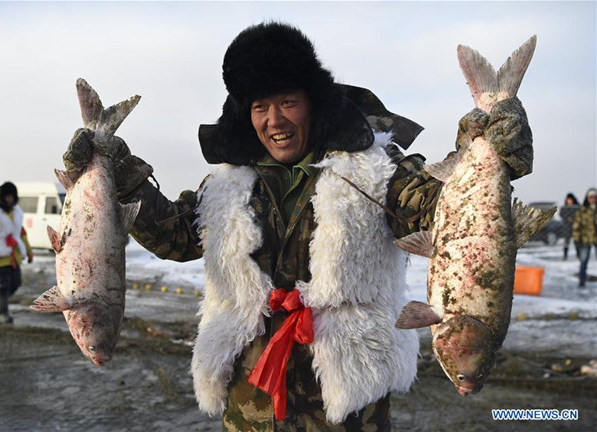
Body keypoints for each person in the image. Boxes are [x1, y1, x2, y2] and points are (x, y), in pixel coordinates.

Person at [63, 22, 533, 431]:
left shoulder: (376, 169)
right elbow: (177, 234)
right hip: (250, 404)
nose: (274, 121)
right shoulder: (226, 184)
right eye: (259, 107)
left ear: (314, 102)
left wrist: (488, 154)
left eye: (287, 102)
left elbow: (445, 211)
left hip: (348, 408)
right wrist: (123, 181)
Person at [0, 181, 33, 324]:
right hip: (0, 257)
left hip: (14, 255)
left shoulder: (17, 212)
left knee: (16, 282)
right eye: (6, 197)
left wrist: (29, 251)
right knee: (3, 287)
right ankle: (2, 313)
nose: (9, 199)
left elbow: (21, 233)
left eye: (11, 197)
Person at [573, 188, 597, 287]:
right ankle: (582, 281)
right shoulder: (582, 210)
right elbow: (576, 225)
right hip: (585, 238)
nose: (592, 199)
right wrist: (576, 239)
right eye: (590, 197)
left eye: (594, 197)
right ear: (587, 198)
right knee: (584, 260)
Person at [560, 193, 580, 260]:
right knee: (566, 243)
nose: (569, 201)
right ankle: (565, 256)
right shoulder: (564, 207)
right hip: (567, 228)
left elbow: (579, 215)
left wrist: (573, 218)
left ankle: (578, 255)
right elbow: (561, 214)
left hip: (575, 227)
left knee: (576, 242)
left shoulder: (576, 207)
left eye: (570, 200)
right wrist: (567, 217)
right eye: (568, 200)